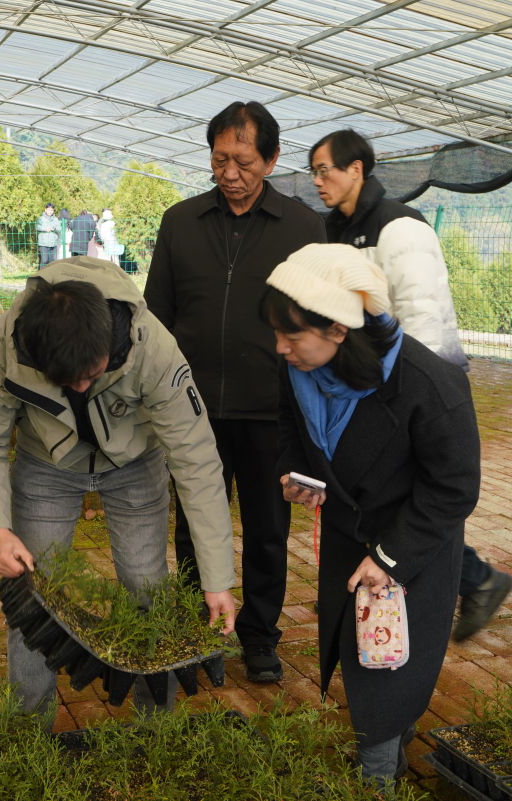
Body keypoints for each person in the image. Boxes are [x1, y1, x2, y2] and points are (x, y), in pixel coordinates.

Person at [0, 255, 237, 722]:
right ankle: (30, 731)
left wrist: (217, 580)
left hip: (134, 464)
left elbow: (197, 463)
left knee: (146, 586)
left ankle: (156, 725)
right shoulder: (2, 345)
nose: (83, 387)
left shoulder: (154, 348)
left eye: (93, 375)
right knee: (33, 594)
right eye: (69, 383)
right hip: (44, 465)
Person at [268, 243, 480, 785]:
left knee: (385, 672)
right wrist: (301, 473)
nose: (280, 347)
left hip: (413, 546)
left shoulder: (429, 384)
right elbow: (289, 429)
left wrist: (389, 559)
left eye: (291, 335)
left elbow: (454, 488)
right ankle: (392, 747)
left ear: (338, 329)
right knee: (365, 655)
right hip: (348, 533)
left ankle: (377, 783)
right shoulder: (300, 370)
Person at [308, 128, 512, 642]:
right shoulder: (336, 230)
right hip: (369, 391)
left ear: (356, 169)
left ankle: (471, 580)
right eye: (313, 171)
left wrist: (400, 398)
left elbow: (421, 321)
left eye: (324, 170)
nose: (317, 181)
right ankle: (472, 579)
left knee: (418, 498)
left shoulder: (401, 228)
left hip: (411, 394)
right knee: (386, 501)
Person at [144, 100, 325, 683]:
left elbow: (319, 321)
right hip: (192, 408)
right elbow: (157, 316)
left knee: (269, 530)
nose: (229, 173)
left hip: (272, 409)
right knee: (196, 523)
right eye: (220, 159)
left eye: (243, 161)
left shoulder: (302, 227)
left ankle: (259, 634)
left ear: (270, 159)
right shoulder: (181, 222)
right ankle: (199, 632)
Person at [36, 203, 60, 269]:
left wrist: (55, 228)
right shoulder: (41, 219)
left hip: (53, 243)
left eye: (52, 210)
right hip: (43, 243)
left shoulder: (55, 219)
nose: (50, 212)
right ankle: (41, 276)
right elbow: (37, 227)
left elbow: (59, 228)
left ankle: (51, 276)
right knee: (44, 260)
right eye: (49, 210)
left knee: (52, 261)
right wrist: (45, 229)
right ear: (45, 210)